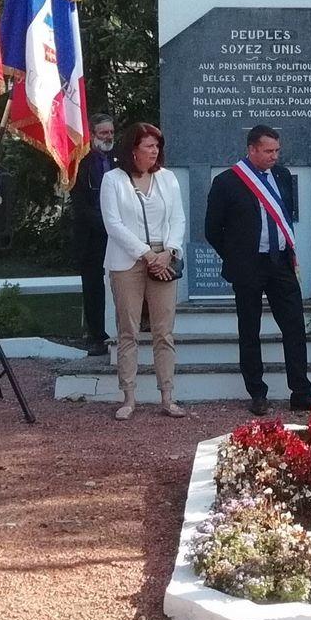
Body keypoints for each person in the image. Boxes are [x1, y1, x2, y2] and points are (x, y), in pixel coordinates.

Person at [205, 124, 311, 416]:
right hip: (247, 265)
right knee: (250, 329)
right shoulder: (227, 182)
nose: (274, 156)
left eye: (277, 150)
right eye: (268, 151)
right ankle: (257, 393)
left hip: (280, 262)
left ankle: (301, 392)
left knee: (294, 327)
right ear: (252, 150)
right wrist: (236, 256)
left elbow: (286, 217)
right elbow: (212, 229)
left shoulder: (283, 176)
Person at [100, 122, 186, 420]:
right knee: (129, 331)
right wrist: (146, 254)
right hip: (127, 261)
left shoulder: (168, 178)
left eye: (157, 146)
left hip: (163, 259)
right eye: (149, 146)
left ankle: (167, 397)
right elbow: (113, 224)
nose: (155, 151)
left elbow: (178, 219)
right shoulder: (112, 180)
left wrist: (168, 252)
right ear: (133, 149)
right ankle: (129, 398)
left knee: (164, 332)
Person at [72, 114, 120, 355]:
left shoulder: (119, 160)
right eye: (103, 133)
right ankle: (97, 335)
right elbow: (80, 204)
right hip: (91, 235)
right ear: (92, 135)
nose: (108, 137)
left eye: (110, 132)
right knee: (93, 286)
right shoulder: (81, 162)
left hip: (118, 234)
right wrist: (106, 224)